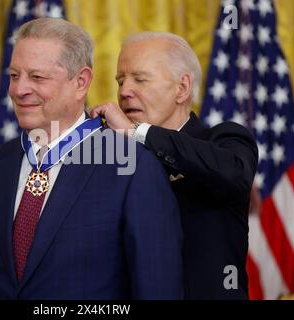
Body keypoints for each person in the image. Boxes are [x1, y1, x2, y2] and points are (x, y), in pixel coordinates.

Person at [0, 18, 183, 300]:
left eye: (37, 77)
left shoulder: (133, 169)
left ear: (81, 82)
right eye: (15, 75)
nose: (19, 90)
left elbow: (157, 290)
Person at [90, 32, 258, 299]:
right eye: (120, 81)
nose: (124, 91)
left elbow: (233, 173)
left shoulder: (223, 140)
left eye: (140, 79)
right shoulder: (111, 155)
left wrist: (137, 132)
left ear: (182, 88)